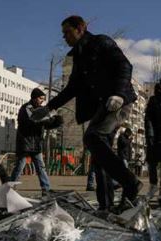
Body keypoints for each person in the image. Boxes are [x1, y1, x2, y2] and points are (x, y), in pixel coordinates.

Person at [32, 16, 142, 211]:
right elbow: (72, 88)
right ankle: (106, 205)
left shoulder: (101, 42)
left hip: (119, 100)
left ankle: (130, 182)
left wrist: (117, 94)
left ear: (80, 28)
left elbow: (124, 66)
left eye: (67, 32)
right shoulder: (78, 57)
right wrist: (49, 108)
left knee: (93, 136)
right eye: (63, 33)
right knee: (98, 156)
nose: (64, 37)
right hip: (102, 105)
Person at [10, 88, 63, 195]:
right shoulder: (26, 108)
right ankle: (10, 189)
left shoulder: (40, 110)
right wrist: (51, 118)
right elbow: (35, 120)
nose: (42, 101)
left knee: (40, 167)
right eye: (40, 98)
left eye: (43, 99)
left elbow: (45, 124)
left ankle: (46, 189)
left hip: (36, 144)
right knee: (20, 166)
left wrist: (56, 122)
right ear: (34, 98)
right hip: (25, 142)